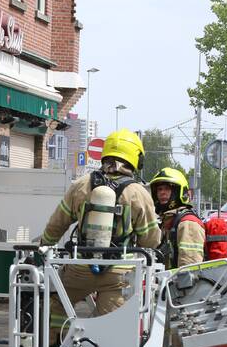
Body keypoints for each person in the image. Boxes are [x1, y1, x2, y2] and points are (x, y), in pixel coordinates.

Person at [38, 129, 162, 319]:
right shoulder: (138, 192)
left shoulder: (81, 184)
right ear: (135, 158)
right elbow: (150, 238)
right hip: (119, 273)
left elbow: (57, 224)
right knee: (110, 322)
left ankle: (55, 342)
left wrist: (43, 245)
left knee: (55, 307)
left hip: (80, 267)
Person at [145, 167, 205, 347]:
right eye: (159, 189)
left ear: (179, 192)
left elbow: (190, 268)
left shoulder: (187, 222)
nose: (162, 193)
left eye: (167, 188)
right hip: (172, 298)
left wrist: (182, 301)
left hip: (183, 300)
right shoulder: (167, 220)